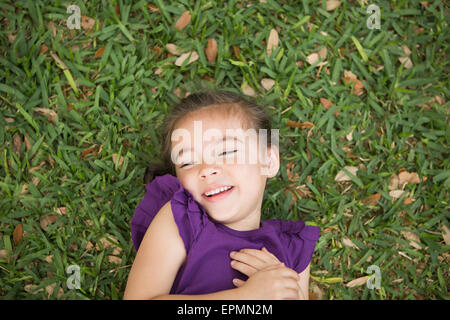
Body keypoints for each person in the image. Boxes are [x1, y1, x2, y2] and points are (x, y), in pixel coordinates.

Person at [123, 89, 320, 299]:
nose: (207, 169)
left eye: (226, 151)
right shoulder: (182, 220)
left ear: (268, 161)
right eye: (188, 162)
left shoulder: (293, 248)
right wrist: (245, 298)